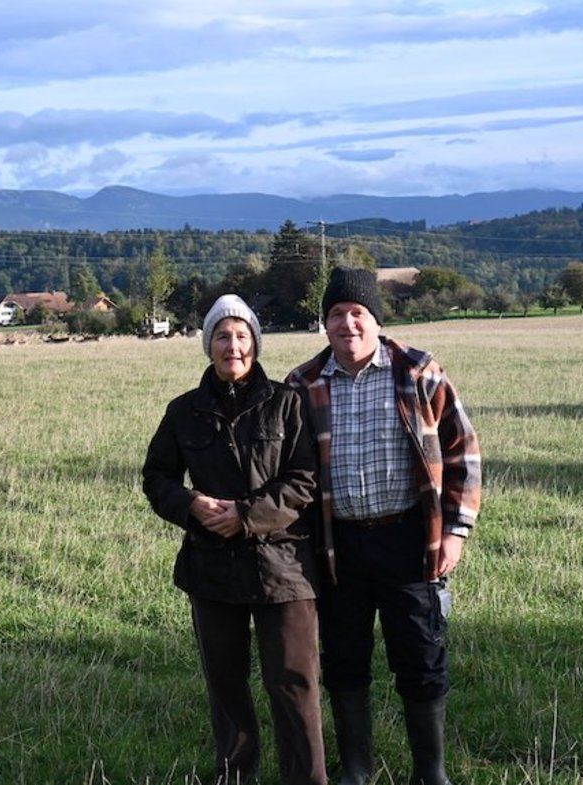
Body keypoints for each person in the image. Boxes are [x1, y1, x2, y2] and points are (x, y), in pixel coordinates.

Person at [286, 267, 482, 785]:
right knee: (345, 660)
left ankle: (429, 773)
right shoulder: (303, 384)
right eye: (336, 315)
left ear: (376, 320)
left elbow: (463, 453)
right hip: (336, 546)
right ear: (324, 324)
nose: (347, 324)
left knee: (419, 654)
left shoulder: (418, 372)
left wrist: (456, 532)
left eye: (357, 313)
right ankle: (355, 771)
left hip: (409, 541)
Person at [143, 294, 328, 785]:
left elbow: (304, 479)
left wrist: (246, 516)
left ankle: (306, 780)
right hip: (211, 568)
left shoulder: (288, 404)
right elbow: (156, 477)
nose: (233, 346)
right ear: (208, 346)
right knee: (225, 685)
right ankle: (235, 775)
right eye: (222, 336)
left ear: (256, 343)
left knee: (293, 683)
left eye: (242, 335)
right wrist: (190, 507)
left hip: (284, 568)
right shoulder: (183, 412)